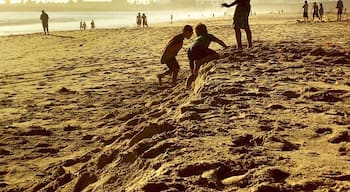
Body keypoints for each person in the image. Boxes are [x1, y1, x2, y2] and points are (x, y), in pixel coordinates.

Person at [186, 23, 228, 89]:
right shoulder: (208, 36)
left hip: (190, 51)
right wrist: (225, 46)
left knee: (194, 72)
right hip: (199, 48)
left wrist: (192, 67)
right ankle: (200, 62)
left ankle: (187, 86)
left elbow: (193, 50)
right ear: (206, 30)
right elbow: (219, 41)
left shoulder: (197, 38)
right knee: (215, 55)